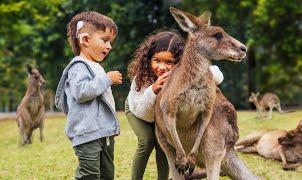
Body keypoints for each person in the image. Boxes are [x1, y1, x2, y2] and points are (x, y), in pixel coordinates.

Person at [125, 31, 224, 180]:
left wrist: (200, 72)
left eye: (169, 62)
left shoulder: (182, 74)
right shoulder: (143, 77)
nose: (162, 67)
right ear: (149, 59)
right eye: (157, 60)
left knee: (164, 144)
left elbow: (217, 75)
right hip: (138, 110)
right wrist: (153, 90)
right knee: (147, 141)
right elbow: (145, 113)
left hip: (162, 115)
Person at [54, 11, 122, 180]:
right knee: (89, 175)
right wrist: (106, 80)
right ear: (85, 40)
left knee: (107, 174)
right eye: (105, 40)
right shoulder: (78, 66)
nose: (109, 47)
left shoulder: (95, 65)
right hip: (87, 134)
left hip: (103, 132)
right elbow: (81, 92)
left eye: (110, 42)